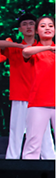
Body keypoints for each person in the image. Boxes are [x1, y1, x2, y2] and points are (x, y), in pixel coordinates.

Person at [0, 13, 55, 159]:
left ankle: (50, 161)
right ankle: (12, 162)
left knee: (44, 135)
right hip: (20, 96)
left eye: (32, 24)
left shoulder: (46, 48)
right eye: (25, 24)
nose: (29, 27)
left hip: (41, 98)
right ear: (20, 29)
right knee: (17, 132)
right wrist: (20, 46)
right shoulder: (18, 49)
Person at [21, 16, 56, 159]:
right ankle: (28, 173)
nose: (47, 28)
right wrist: (49, 48)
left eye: (50, 26)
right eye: (43, 26)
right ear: (36, 31)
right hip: (38, 103)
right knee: (32, 145)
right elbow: (25, 52)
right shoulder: (34, 50)